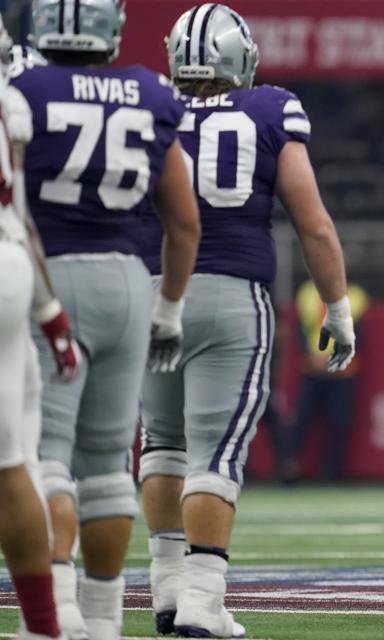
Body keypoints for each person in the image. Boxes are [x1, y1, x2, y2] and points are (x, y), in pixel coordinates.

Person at [137, 5, 355, 637]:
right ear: (240, 59)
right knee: (216, 452)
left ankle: (167, 590)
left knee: (162, 444)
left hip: (154, 290)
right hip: (231, 295)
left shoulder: (151, 106)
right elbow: (312, 223)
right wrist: (336, 310)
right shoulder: (269, 108)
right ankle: (203, 603)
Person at [8, 1, 202, 637]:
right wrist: (169, 308)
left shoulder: (24, 90)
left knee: (47, 460)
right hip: (126, 282)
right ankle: (104, 617)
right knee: (109, 463)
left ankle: (58, 613)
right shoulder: (150, 92)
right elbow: (183, 218)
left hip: (50, 275)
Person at [0, 14, 85, 640]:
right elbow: (20, 217)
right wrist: (49, 313)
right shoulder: (11, 102)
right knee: (14, 465)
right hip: (11, 266)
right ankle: (45, 627)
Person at [274, 281, 368, 484]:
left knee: (339, 421)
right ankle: (288, 466)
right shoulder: (307, 293)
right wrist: (309, 356)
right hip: (312, 368)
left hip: (342, 371)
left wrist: (337, 357)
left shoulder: (356, 296)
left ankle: (331, 471)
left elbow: (358, 333)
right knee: (301, 419)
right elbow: (300, 330)